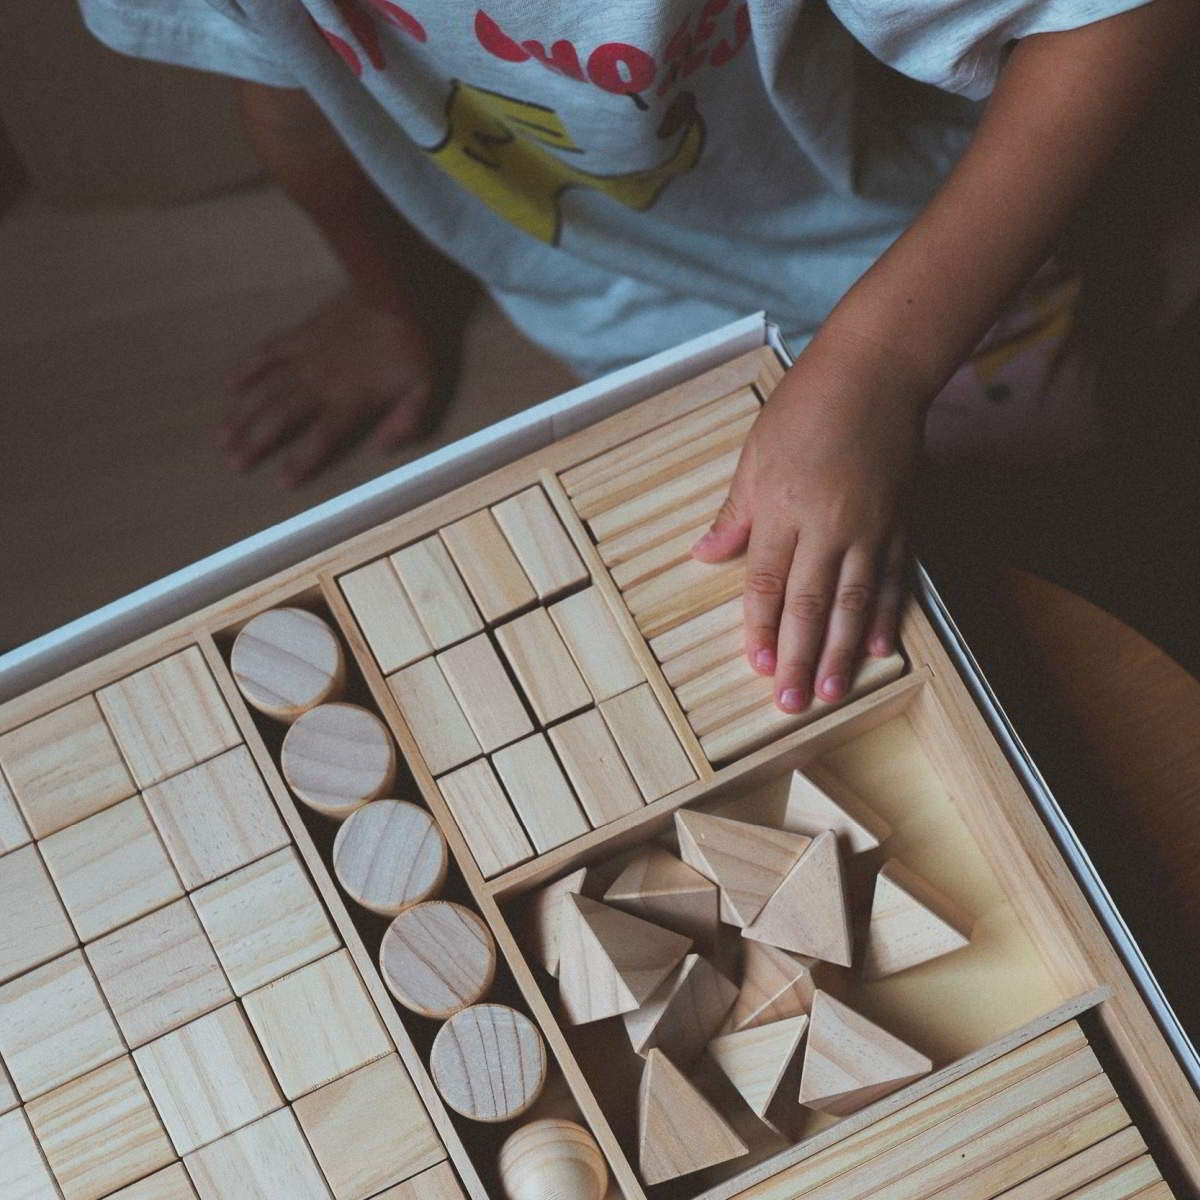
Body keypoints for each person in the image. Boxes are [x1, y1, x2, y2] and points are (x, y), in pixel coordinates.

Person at [80, 0, 1196, 715]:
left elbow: (1114, 19)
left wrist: (876, 362)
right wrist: (389, 304)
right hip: (608, 311)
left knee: (1066, 567)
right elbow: (289, 101)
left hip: (910, 245)